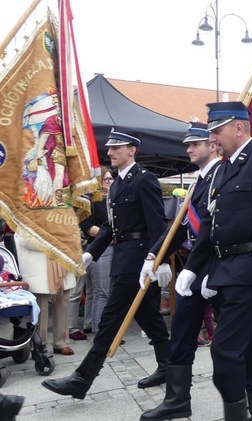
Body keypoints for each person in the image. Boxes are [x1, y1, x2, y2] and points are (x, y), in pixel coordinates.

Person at [174, 102, 252, 420]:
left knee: (224, 351)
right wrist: (192, 267)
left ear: (238, 128)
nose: (213, 138)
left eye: (217, 131)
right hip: (225, 273)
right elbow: (213, 229)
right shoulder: (225, 170)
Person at [42, 127, 171, 398]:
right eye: (109, 148)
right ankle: (169, 367)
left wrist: (161, 260)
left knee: (111, 318)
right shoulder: (117, 185)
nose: (110, 152)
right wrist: (90, 254)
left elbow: (158, 224)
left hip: (138, 260)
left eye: (117, 148)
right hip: (122, 257)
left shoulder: (144, 180)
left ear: (132, 150)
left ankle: (82, 379)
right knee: (149, 316)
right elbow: (109, 228)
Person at [139, 123, 222, 420]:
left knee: (237, 335)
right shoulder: (198, 181)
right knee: (182, 329)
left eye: (195, 144)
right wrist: (154, 254)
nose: (188, 149)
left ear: (212, 145)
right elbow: (180, 225)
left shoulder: (221, 177)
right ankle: (177, 400)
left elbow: (217, 229)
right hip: (195, 270)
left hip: (219, 269)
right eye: (188, 144)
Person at [15, 235, 75, 356]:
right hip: (38, 268)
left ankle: (61, 343)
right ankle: (39, 344)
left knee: (62, 303)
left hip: (60, 265)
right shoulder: (24, 216)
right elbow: (26, 240)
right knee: (40, 308)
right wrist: (56, 240)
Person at [79, 168, 115, 334]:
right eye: (106, 179)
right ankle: (101, 331)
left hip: (113, 246)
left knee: (101, 292)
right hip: (99, 248)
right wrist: (108, 235)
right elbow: (87, 227)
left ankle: (93, 325)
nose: (109, 181)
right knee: (102, 292)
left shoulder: (113, 198)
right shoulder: (89, 200)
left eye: (111, 179)